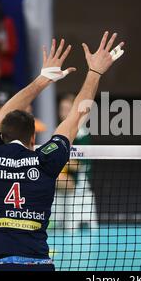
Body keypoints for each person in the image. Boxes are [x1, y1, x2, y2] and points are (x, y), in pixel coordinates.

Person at [0, 32, 125, 271]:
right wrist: (95, 73)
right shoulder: (45, 160)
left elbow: (2, 114)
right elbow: (75, 117)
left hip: (0, 265)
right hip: (42, 265)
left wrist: (43, 80)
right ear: (34, 138)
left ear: (1, 135)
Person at [52, 93, 98, 230]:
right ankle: (54, 219)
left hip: (79, 180)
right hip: (64, 175)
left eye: (67, 109)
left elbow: (80, 165)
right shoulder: (61, 130)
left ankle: (53, 220)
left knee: (51, 177)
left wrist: (58, 162)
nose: (63, 113)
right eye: (61, 109)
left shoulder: (81, 134)